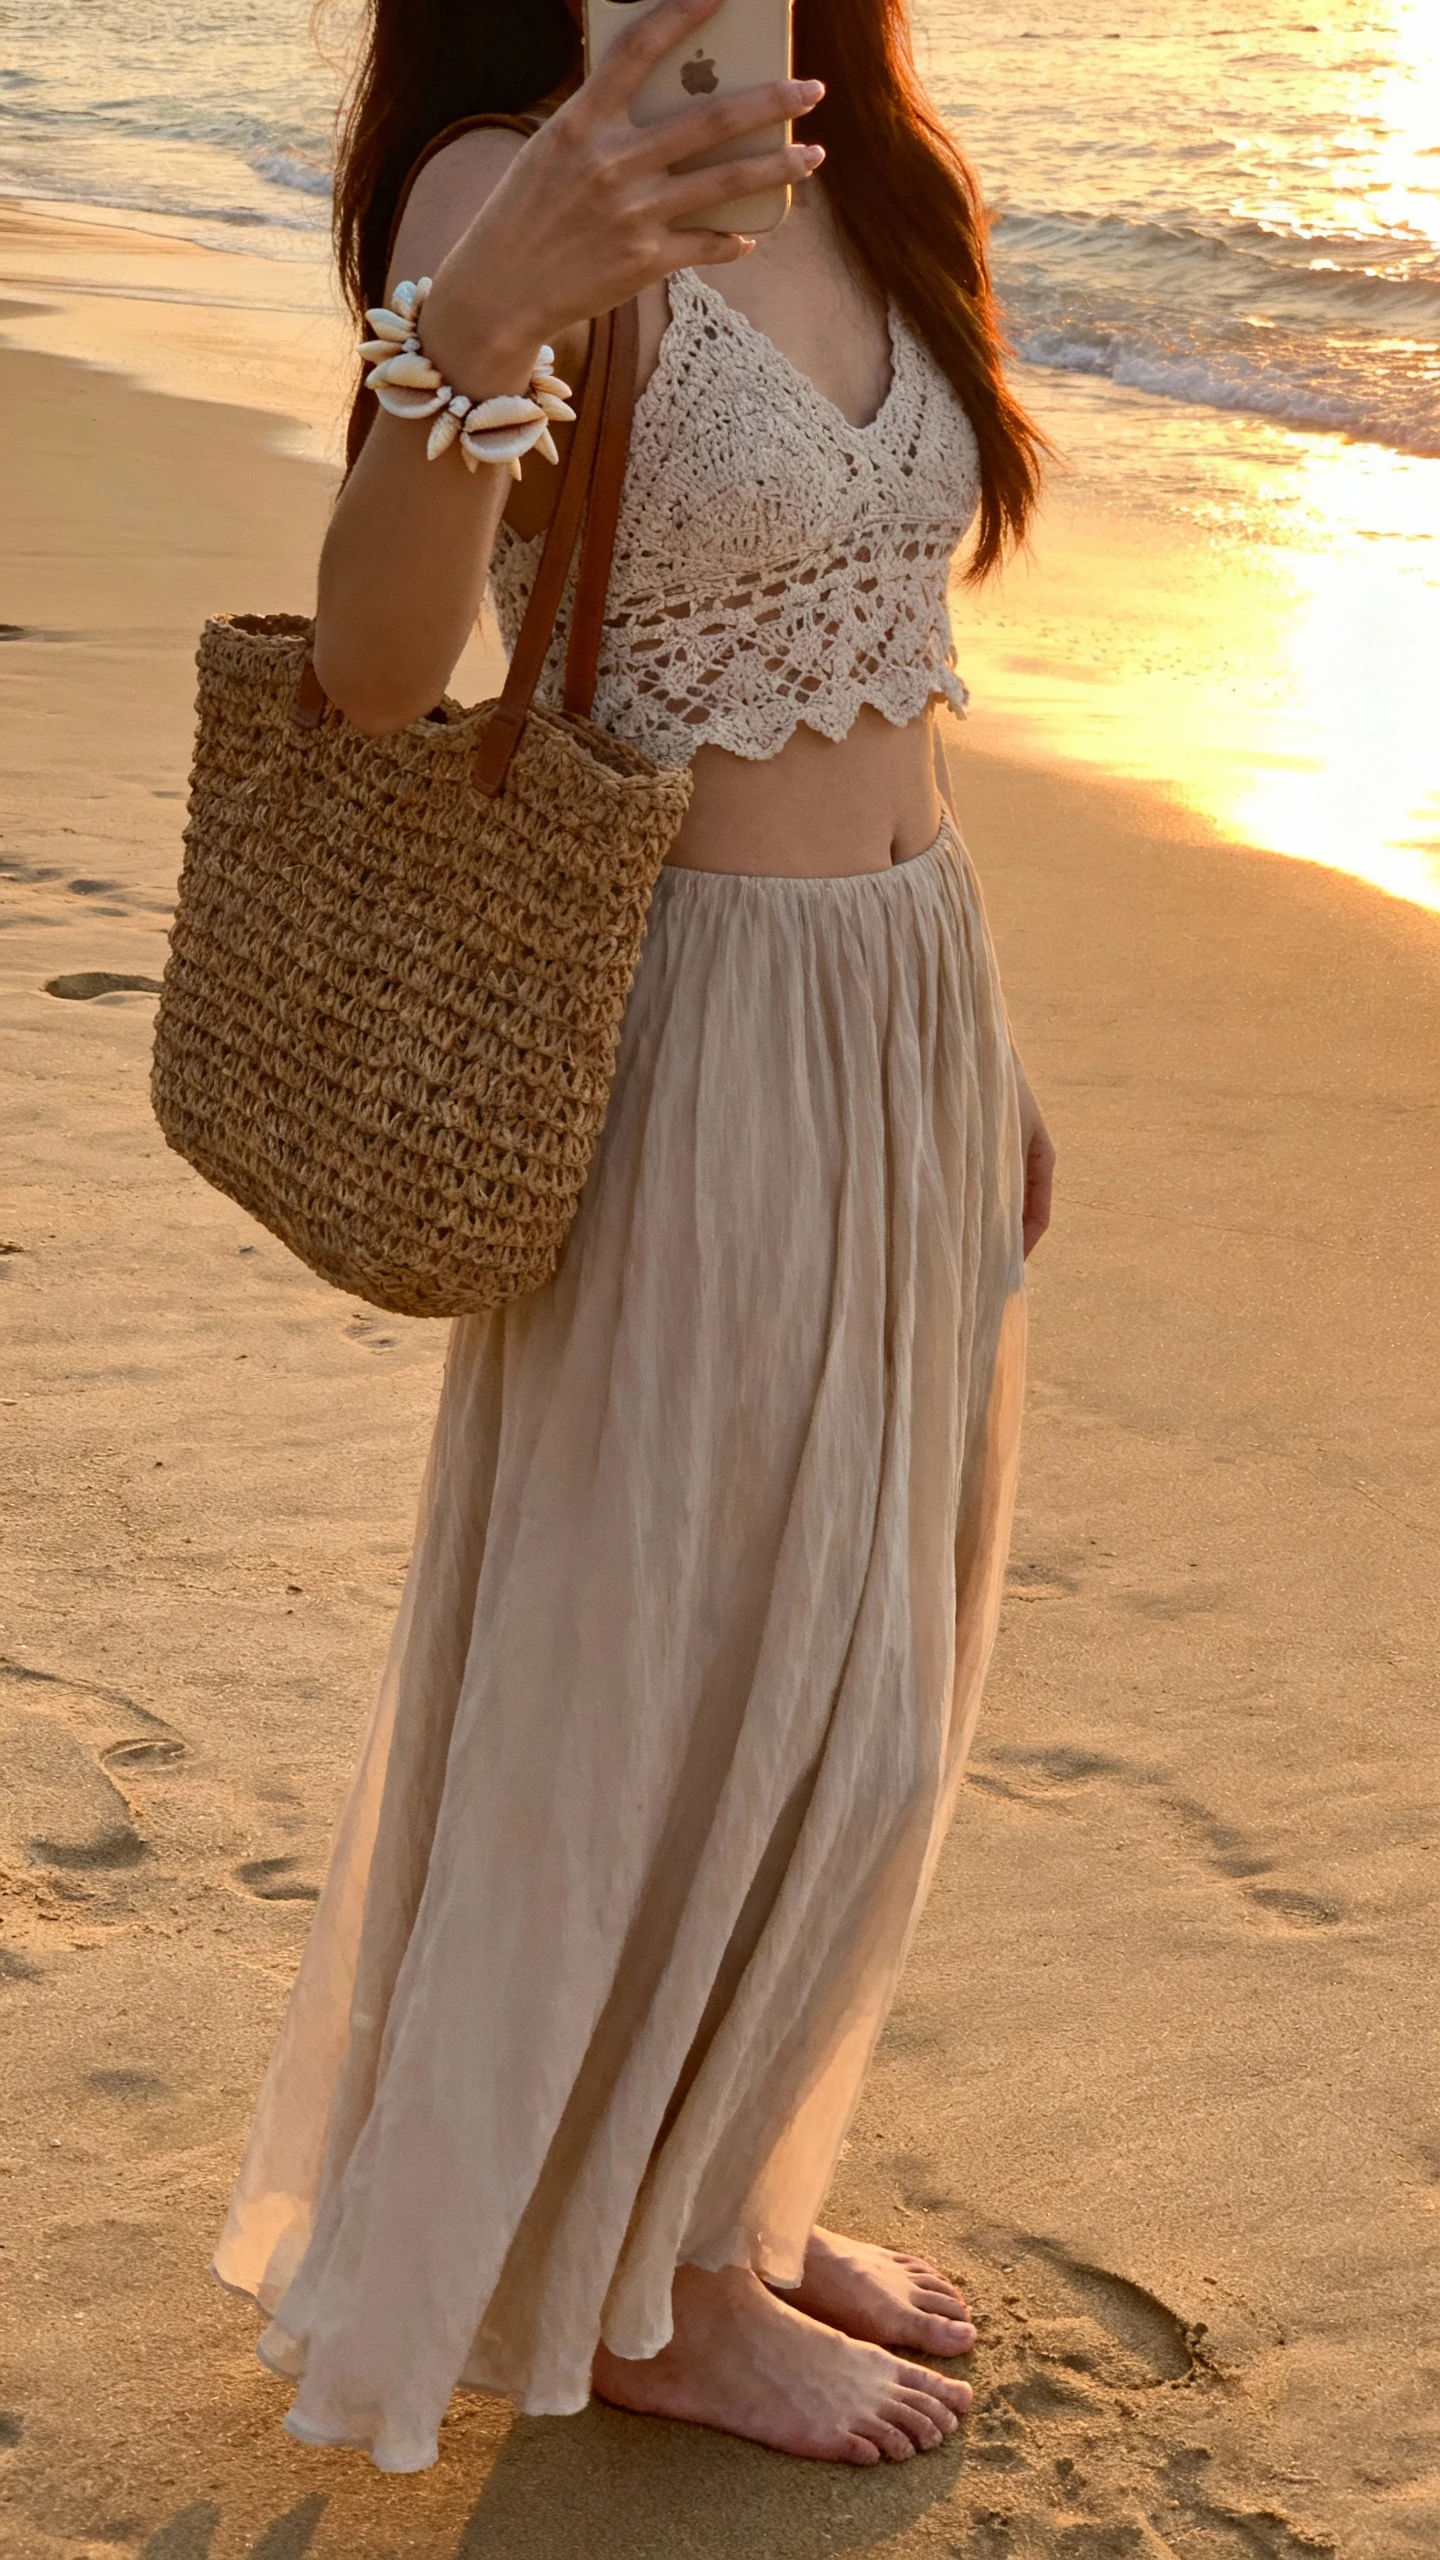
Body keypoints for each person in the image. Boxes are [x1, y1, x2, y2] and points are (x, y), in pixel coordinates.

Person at [213, 0, 1055, 2475]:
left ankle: (720, 2192)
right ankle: (665, 2288)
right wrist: (478, 318)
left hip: (906, 990)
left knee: (871, 1682)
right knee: (687, 1654)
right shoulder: (512, 176)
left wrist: (974, 1039)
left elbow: (889, 647)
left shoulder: (870, 166)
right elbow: (374, 674)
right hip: (685, 1034)